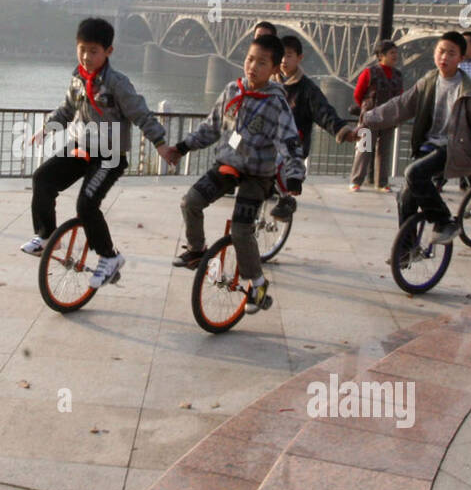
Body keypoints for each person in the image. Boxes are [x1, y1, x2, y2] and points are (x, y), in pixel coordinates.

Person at [21, 17, 176, 289]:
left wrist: (160, 143)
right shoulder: (78, 78)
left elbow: (140, 113)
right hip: (81, 147)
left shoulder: (118, 83)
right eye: (81, 49)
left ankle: (109, 257)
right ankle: (46, 237)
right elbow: (67, 109)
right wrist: (47, 129)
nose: (86, 56)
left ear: (108, 52)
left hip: (110, 155)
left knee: (86, 205)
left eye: (93, 51)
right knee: (42, 179)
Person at [167, 34, 305, 314]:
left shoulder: (276, 104)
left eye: (262, 63)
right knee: (189, 202)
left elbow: (289, 142)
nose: (253, 66)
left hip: (257, 175)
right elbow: (210, 128)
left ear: (275, 68)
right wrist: (182, 147)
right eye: (250, 59)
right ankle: (196, 249)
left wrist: (294, 178)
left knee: (242, 231)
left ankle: (258, 283)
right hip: (227, 165)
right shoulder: (232, 91)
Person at [361, 31, 471, 245]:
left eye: (451, 53)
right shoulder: (429, 81)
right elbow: (401, 105)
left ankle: (445, 221)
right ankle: (407, 249)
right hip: (429, 147)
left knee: (413, 172)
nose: (444, 57)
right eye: (441, 51)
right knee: (405, 196)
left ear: (460, 58)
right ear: (434, 53)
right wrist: (368, 117)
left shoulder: (469, 92)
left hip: (455, 149)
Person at [259, 28, 358, 214]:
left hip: (292, 147)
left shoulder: (307, 89)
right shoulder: (266, 84)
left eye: (289, 56)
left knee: (281, 164)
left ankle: (286, 199)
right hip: (267, 142)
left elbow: (324, 112)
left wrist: (343, 131)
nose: (283, 61)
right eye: (281, 55)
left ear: (299, 58)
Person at [349, 40, 402, 192]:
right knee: (364, 148)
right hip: (369, 118)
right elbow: (358, 94)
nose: (395, 56)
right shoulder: (369, 72)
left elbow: (400, 96)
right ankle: (356, 181)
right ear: (381, 56)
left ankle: (382, 183)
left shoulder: (398, 75)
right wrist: (367, 108)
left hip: (388, 118)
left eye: (396, 53)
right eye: (392, 53)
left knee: (384, 151)